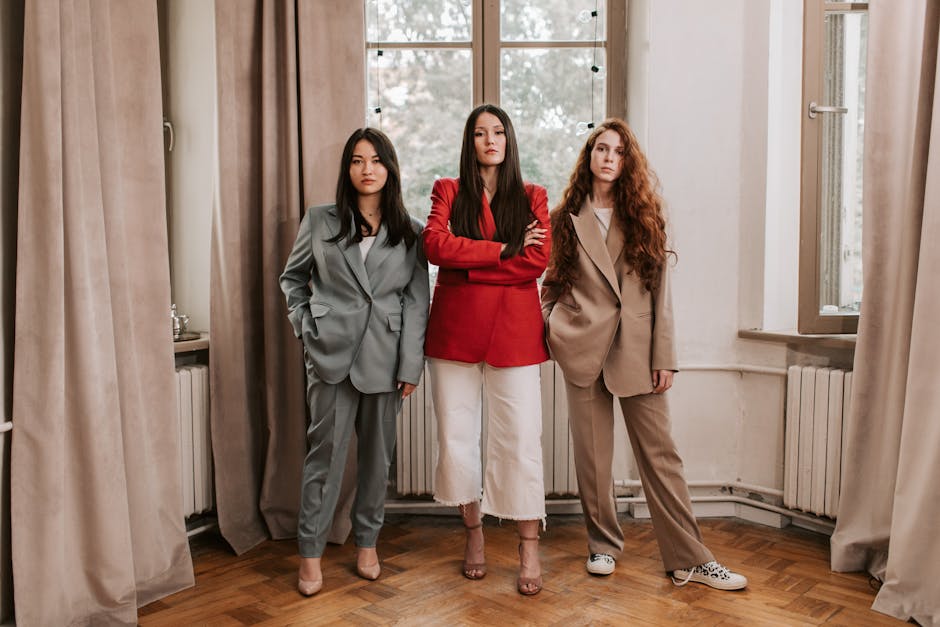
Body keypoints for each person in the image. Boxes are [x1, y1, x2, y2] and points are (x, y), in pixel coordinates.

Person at [540, 118, 747, 591]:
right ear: (589, 157)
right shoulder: (564, 218)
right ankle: (603, 545)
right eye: (600, 149)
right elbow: (550, 284)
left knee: (661, 456)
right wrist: (552, 323)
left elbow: (662, 292)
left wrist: (665, 356)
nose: (609, 157)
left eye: (618, 151)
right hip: (581, 346)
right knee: (592, 458)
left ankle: (688, 559)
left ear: (627, 161)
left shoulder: (646, 215)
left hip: (637, 348)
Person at [279, 128, 430, 597]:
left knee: (376, 460)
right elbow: (292, 280)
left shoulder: (410, 232)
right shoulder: (320, 220)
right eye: (358, 161)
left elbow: (416, 302)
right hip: (329, 356)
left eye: (376, 160)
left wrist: (410, 367)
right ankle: (310, 552)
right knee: (324, 458)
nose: (368, 169)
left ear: (390, 168)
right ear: (348, 169)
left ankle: (367, 542)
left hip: (386, 362)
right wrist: (307, 327)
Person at [423, 104, 550, 596]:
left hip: (514, 338)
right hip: (454, 336)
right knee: (457, 437)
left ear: (509, 140)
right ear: (469, 141)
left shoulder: (533, 194)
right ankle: (473, 535)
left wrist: (468, 261)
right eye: (480, 133)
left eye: (498, 132)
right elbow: (434, 246)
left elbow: (537, 261)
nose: (490, 140)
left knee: (520, 440)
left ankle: (528, 544)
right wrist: (504, 250)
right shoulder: (448, 190)